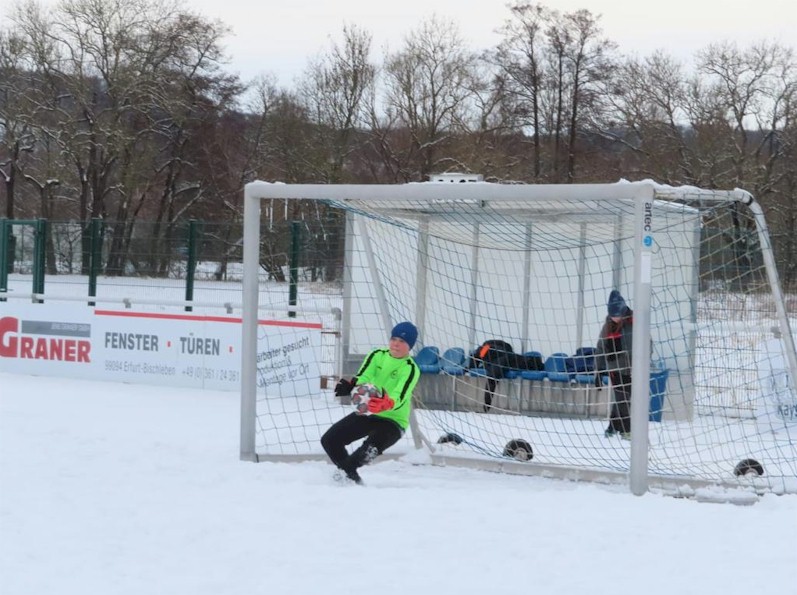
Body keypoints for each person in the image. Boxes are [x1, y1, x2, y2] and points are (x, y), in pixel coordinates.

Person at [321, 321, 420, 484]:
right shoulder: (377, 355)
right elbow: (364, 376)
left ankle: (346, 480)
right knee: (330, 440)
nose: (396, 344)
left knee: (367, 452)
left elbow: (400, 394)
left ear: (410, 346)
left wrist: (387, 403)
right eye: (394, 339)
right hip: (370, 412)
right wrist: (352, 384)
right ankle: (351, 480)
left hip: (394, 421)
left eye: (402, 341)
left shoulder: (410, 368)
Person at [594, 290, 634, 439]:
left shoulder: (634, 323)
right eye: (612, 315)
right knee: (622, 397)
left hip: (633, 368)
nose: (615, 318)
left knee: (625, 397)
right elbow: (600, 348)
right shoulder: (608, 327)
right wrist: (597, 372)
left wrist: (643, 361)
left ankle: (612, 427)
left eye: (617, 315)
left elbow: (647, 343)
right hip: (615, 369)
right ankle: (626, 429)